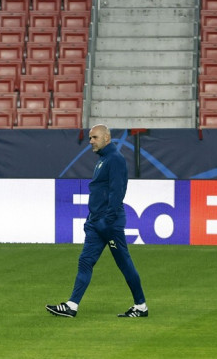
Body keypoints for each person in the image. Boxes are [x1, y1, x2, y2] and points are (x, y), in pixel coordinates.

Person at [46, 124, 148, 318]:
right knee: (85, 261)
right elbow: (100, 193)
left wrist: (107, 221)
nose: (90, 141)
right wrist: (92, 219)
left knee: (124, 262)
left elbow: (117, 192)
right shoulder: (104, 159)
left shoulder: (115, 160)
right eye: (90, 137)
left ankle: (141, 305)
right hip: (97, 222)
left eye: (94, 137)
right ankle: (72, 305)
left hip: (109, 223)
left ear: (106, 138)